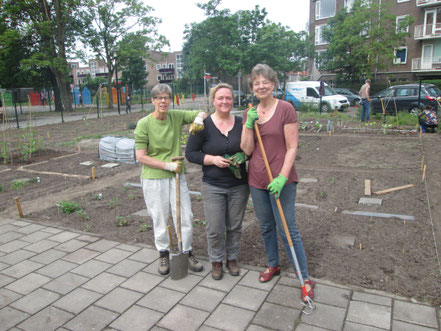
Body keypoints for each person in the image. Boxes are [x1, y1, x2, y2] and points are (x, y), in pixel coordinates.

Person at [240, 63, 314, 302]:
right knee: (266, 227)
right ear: (252, 87)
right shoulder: (249, 112)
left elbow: (292, 146)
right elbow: (247, 150)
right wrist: (249, 124)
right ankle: (273, 264)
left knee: (287, 229)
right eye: (256, 82)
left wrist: (283, 177)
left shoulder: (285, 109)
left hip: (281, 179)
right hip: (257, 179)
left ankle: (304, 278)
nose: (261, 86)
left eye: (265, 82)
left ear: (273, 84)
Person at [134, 83, 207, 275]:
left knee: (185, 215)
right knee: (160, 217)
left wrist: (199, 118)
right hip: (154, 178)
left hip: (176, 177)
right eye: (159, 98)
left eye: (166, 97)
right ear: (152, 101)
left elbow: (202, 112)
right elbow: (141, 157)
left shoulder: (176, 116)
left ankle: (186, 250)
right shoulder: (144, 124)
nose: (163, 101)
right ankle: (164, 253)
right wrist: (167, 165)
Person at [186, 83, 249, 280]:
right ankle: (215, 260)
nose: (224, 101)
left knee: (235, 226)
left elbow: (250, 147)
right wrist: (212, 159)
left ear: (233, 100)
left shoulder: (241, 123)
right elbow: (190, 154)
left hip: (239, 185)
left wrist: (243, 155)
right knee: (214, 228)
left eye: (228, 98)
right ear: (213, 101)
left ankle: (232, 259)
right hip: (213, 185)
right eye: (220, 98)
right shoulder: (202, 125)